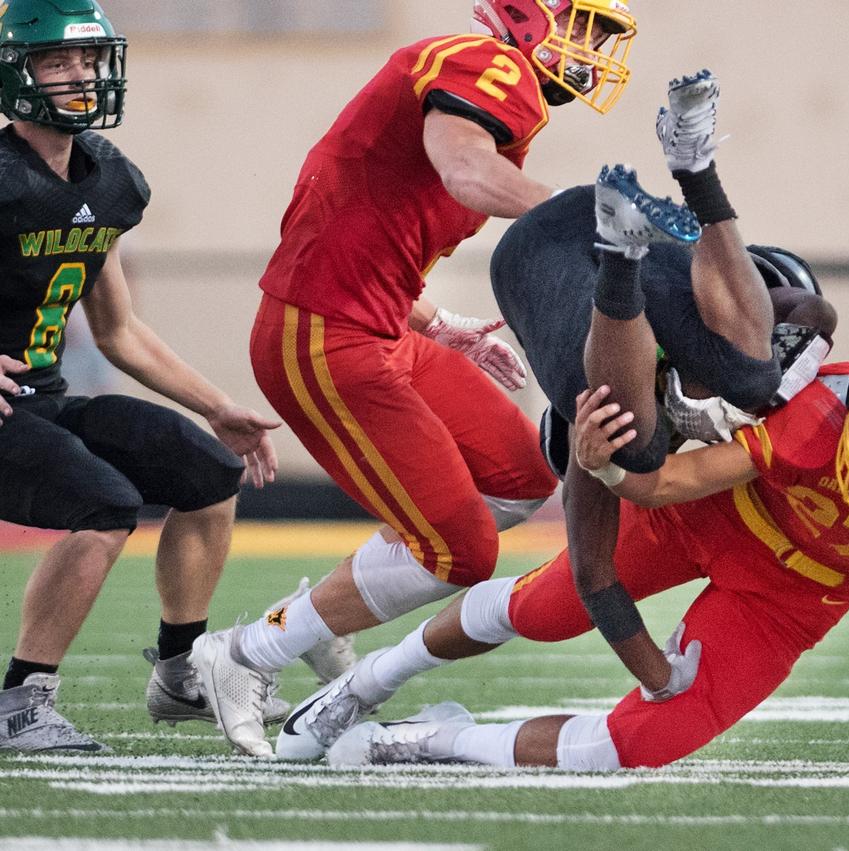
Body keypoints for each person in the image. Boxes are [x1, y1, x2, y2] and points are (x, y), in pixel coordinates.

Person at [272, 73, 840, 761]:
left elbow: (817, 330)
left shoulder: (802, 390)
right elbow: (598, 570)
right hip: (580, 268)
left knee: (721, 392)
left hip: (619, 270)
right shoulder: (658, 407)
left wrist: (664, 684)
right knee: (669, 425)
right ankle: (367, 681)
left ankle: (392, 708)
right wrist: (658, 675)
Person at [190, 0, 640, 757]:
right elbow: (463, 170)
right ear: (531, 14)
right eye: (585, 25)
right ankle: (242, 655)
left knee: (522, 472)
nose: (593, 49)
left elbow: (368, 213)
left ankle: (308, 620)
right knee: (462, 551)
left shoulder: (500, 95)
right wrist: (592, 217)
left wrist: (430, 318)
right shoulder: (488, 64)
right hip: (324, 334)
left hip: (381, 325)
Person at [325, 332, 849, 778]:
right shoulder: (818, 411)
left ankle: (429, 739)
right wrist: (608, 467)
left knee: (642, 744)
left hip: (790, 600)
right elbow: (669, 483)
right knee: (547, 607)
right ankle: (369, 677)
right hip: (712, 520)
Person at [0, 0, 281, 752]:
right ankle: (22, 702)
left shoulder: (109, 179)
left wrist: (219, 404)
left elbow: (118, 329)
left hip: (40, 401)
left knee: (208, 470)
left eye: (88, 60)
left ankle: (182, 670)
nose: (80, 76)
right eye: (58, 61)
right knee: (106, 503)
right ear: (16, 71)